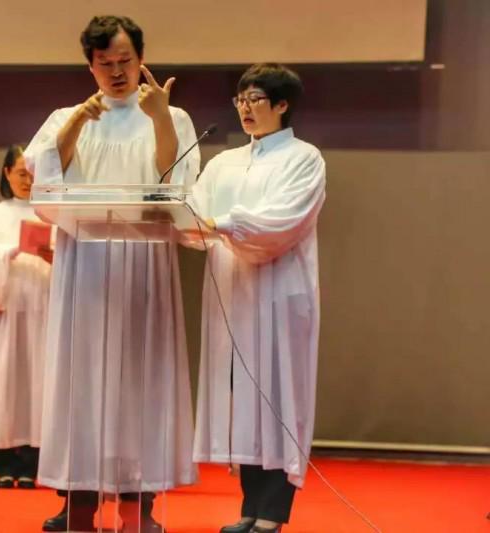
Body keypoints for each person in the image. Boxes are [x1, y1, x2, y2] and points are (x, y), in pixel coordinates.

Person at [24, 15, 200, 533]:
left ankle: (137, 510)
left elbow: (176, 180)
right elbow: (42, 176)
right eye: (106, 64)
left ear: (140, 58)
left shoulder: (171, 114)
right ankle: (79, 507)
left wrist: (161, 117)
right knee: (81, 381)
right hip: (85, 266)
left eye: (126, 61)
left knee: (139, 381)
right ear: (90, 65)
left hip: (144, 265)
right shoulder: (65, 115)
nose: (117, 72)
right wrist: (78, 122)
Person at [190, 63, 326, 533]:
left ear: (282, 105)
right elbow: (195, 216)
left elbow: (281, 221)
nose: (245, 109)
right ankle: (249, 507)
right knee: (241, 398)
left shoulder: (304, 158)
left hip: (278, 292)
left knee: (276, 395)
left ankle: (272, 512)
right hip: (233, 292)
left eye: (255, 99)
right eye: (240, 100)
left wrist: (222, 223)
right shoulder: (223, 162)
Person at [0, 144, 52, 490]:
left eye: (32, 173)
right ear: (7, 173)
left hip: (42, 304)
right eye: (21, 172)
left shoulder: (51, 213)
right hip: (8, 307)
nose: (27, 179)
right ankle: (4, 462)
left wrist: (49, 253)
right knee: (5, 381)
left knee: (39, 381)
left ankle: (34, 463)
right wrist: (14, 249)